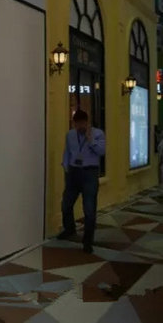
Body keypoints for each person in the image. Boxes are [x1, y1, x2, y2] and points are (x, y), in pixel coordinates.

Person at [58, 109, 106, 254]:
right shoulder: (70, 135)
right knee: (66, 204)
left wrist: (90, 140)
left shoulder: (98, 133)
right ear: (74, 123)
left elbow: (102, 151)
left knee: (89, 209)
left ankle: (87, 241)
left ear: (87, 122)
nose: (79, 126)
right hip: (73, 172)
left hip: (89, 173)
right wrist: (66, 167)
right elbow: (67, 151)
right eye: (77, 124)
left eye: (82, 123)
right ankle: (69, 228)